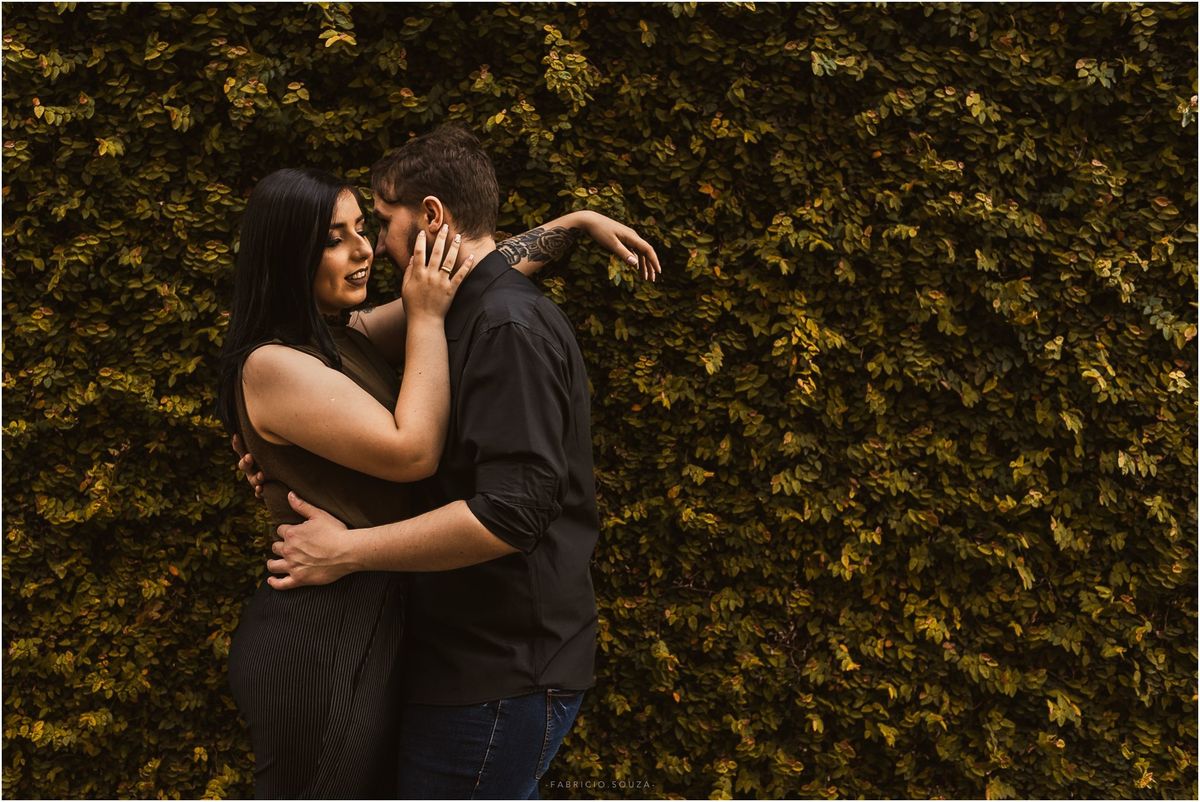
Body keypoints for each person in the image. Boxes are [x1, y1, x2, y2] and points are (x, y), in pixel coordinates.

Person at [219, 152, 659, 798]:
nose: (362, 250)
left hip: (372, 622)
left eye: (360, 229)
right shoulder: (272, 366)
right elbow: (413, 452)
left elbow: (473, 271)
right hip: (316, 635)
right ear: (289, 256)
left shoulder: (352, 337)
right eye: (333, 240)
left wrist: (577, 222)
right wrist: (424, 318)